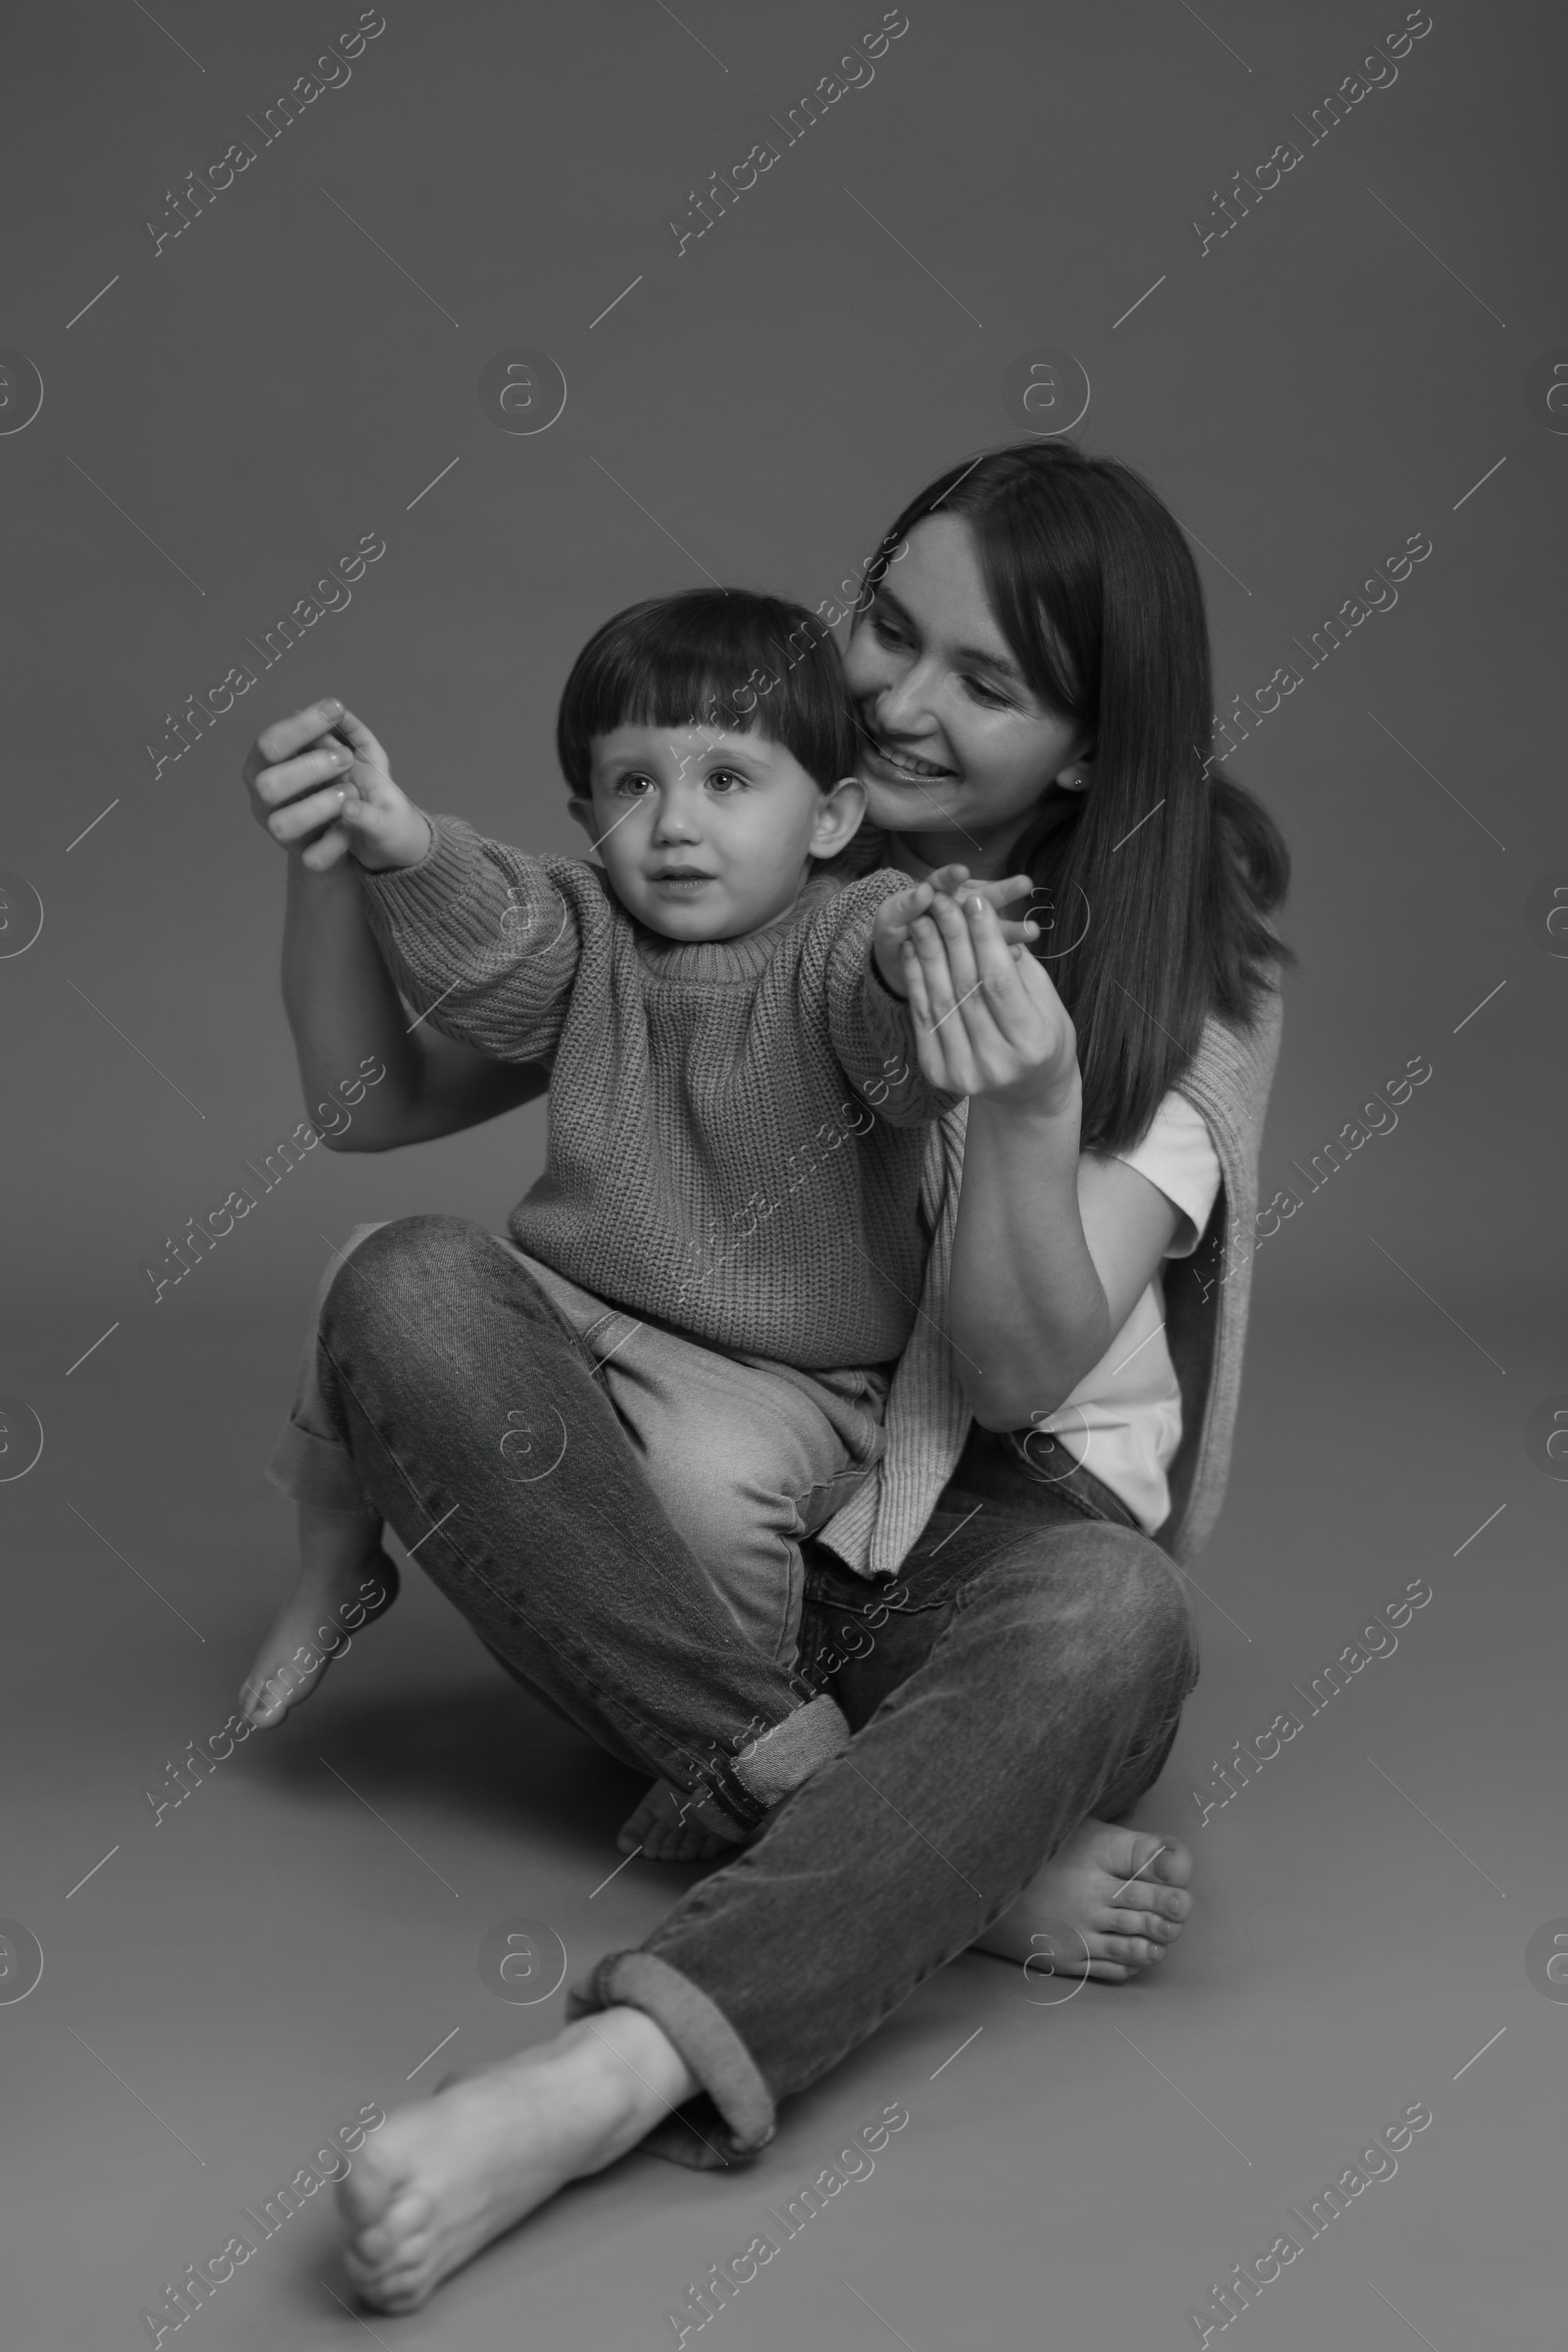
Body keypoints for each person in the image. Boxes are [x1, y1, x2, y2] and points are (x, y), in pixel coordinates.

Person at [237, 439, 1289, 2315]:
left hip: (990, 1522)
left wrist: (1032, 1103)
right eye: (890, 627)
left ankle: (610, 2070)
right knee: (405, 1292)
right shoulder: (759, 827)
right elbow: (373, 1105)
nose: (894, 696)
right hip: (741, 1532)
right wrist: (339, 875)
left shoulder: (1177, 971)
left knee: (1112, 1618)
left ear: (1094, 748)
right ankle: (923, 1847)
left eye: (990, 681)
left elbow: (1015, 1356)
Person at [243, 590, 1041, 1862]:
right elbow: (493, 942)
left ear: (830, 817)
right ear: (587, 821)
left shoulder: (837, 937)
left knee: (708, 1493)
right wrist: (396, 842)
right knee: (368, 1270)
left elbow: (893, 1038)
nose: (674, 824)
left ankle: (715, 1730)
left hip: (777, 1376)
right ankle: (340, 1565)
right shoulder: (588, 930)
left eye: (730, 778)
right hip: (565, 1310)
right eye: (631, 785)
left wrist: (921, 949)